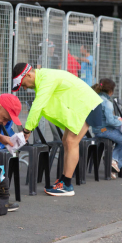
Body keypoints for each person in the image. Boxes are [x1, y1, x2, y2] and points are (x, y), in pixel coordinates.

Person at [12, 63, 103, 197]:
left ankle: (66, 184)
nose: (25, 89)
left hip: (88, 105)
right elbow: (40, 108)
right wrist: (29, 129)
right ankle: (63, 181)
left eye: (23, 85)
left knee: (71, 141)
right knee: (66, 140)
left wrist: (27, 131)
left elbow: (37, 106)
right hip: (82, 107)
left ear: (29, 75)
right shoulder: (43, 78)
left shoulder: (47, 79)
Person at [91, 79, 122, 179]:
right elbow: (110, 122)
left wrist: (117, 119)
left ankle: (114, 160)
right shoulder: (107, 103)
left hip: (96, 130)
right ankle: (114, 163)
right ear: (111, 91)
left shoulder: (95, 98)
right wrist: (120, 122)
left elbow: (104, 117)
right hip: (104, 131)